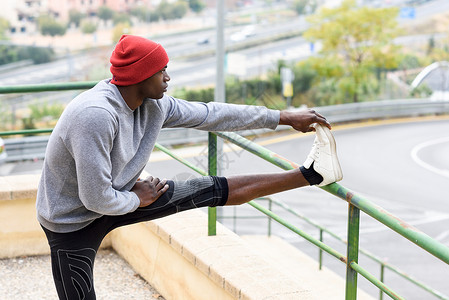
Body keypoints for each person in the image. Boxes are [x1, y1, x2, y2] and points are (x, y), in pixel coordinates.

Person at [36, 34, 342, 300]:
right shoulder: (95, 116)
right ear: (140, 76)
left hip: (123, 195)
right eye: (162, 71)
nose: (168, 78)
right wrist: (137, 199)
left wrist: (283, 118)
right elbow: (95, 198)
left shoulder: (154, 105)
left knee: (208, 189)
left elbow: (211, 114)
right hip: (72, 222)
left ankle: (311, 174)